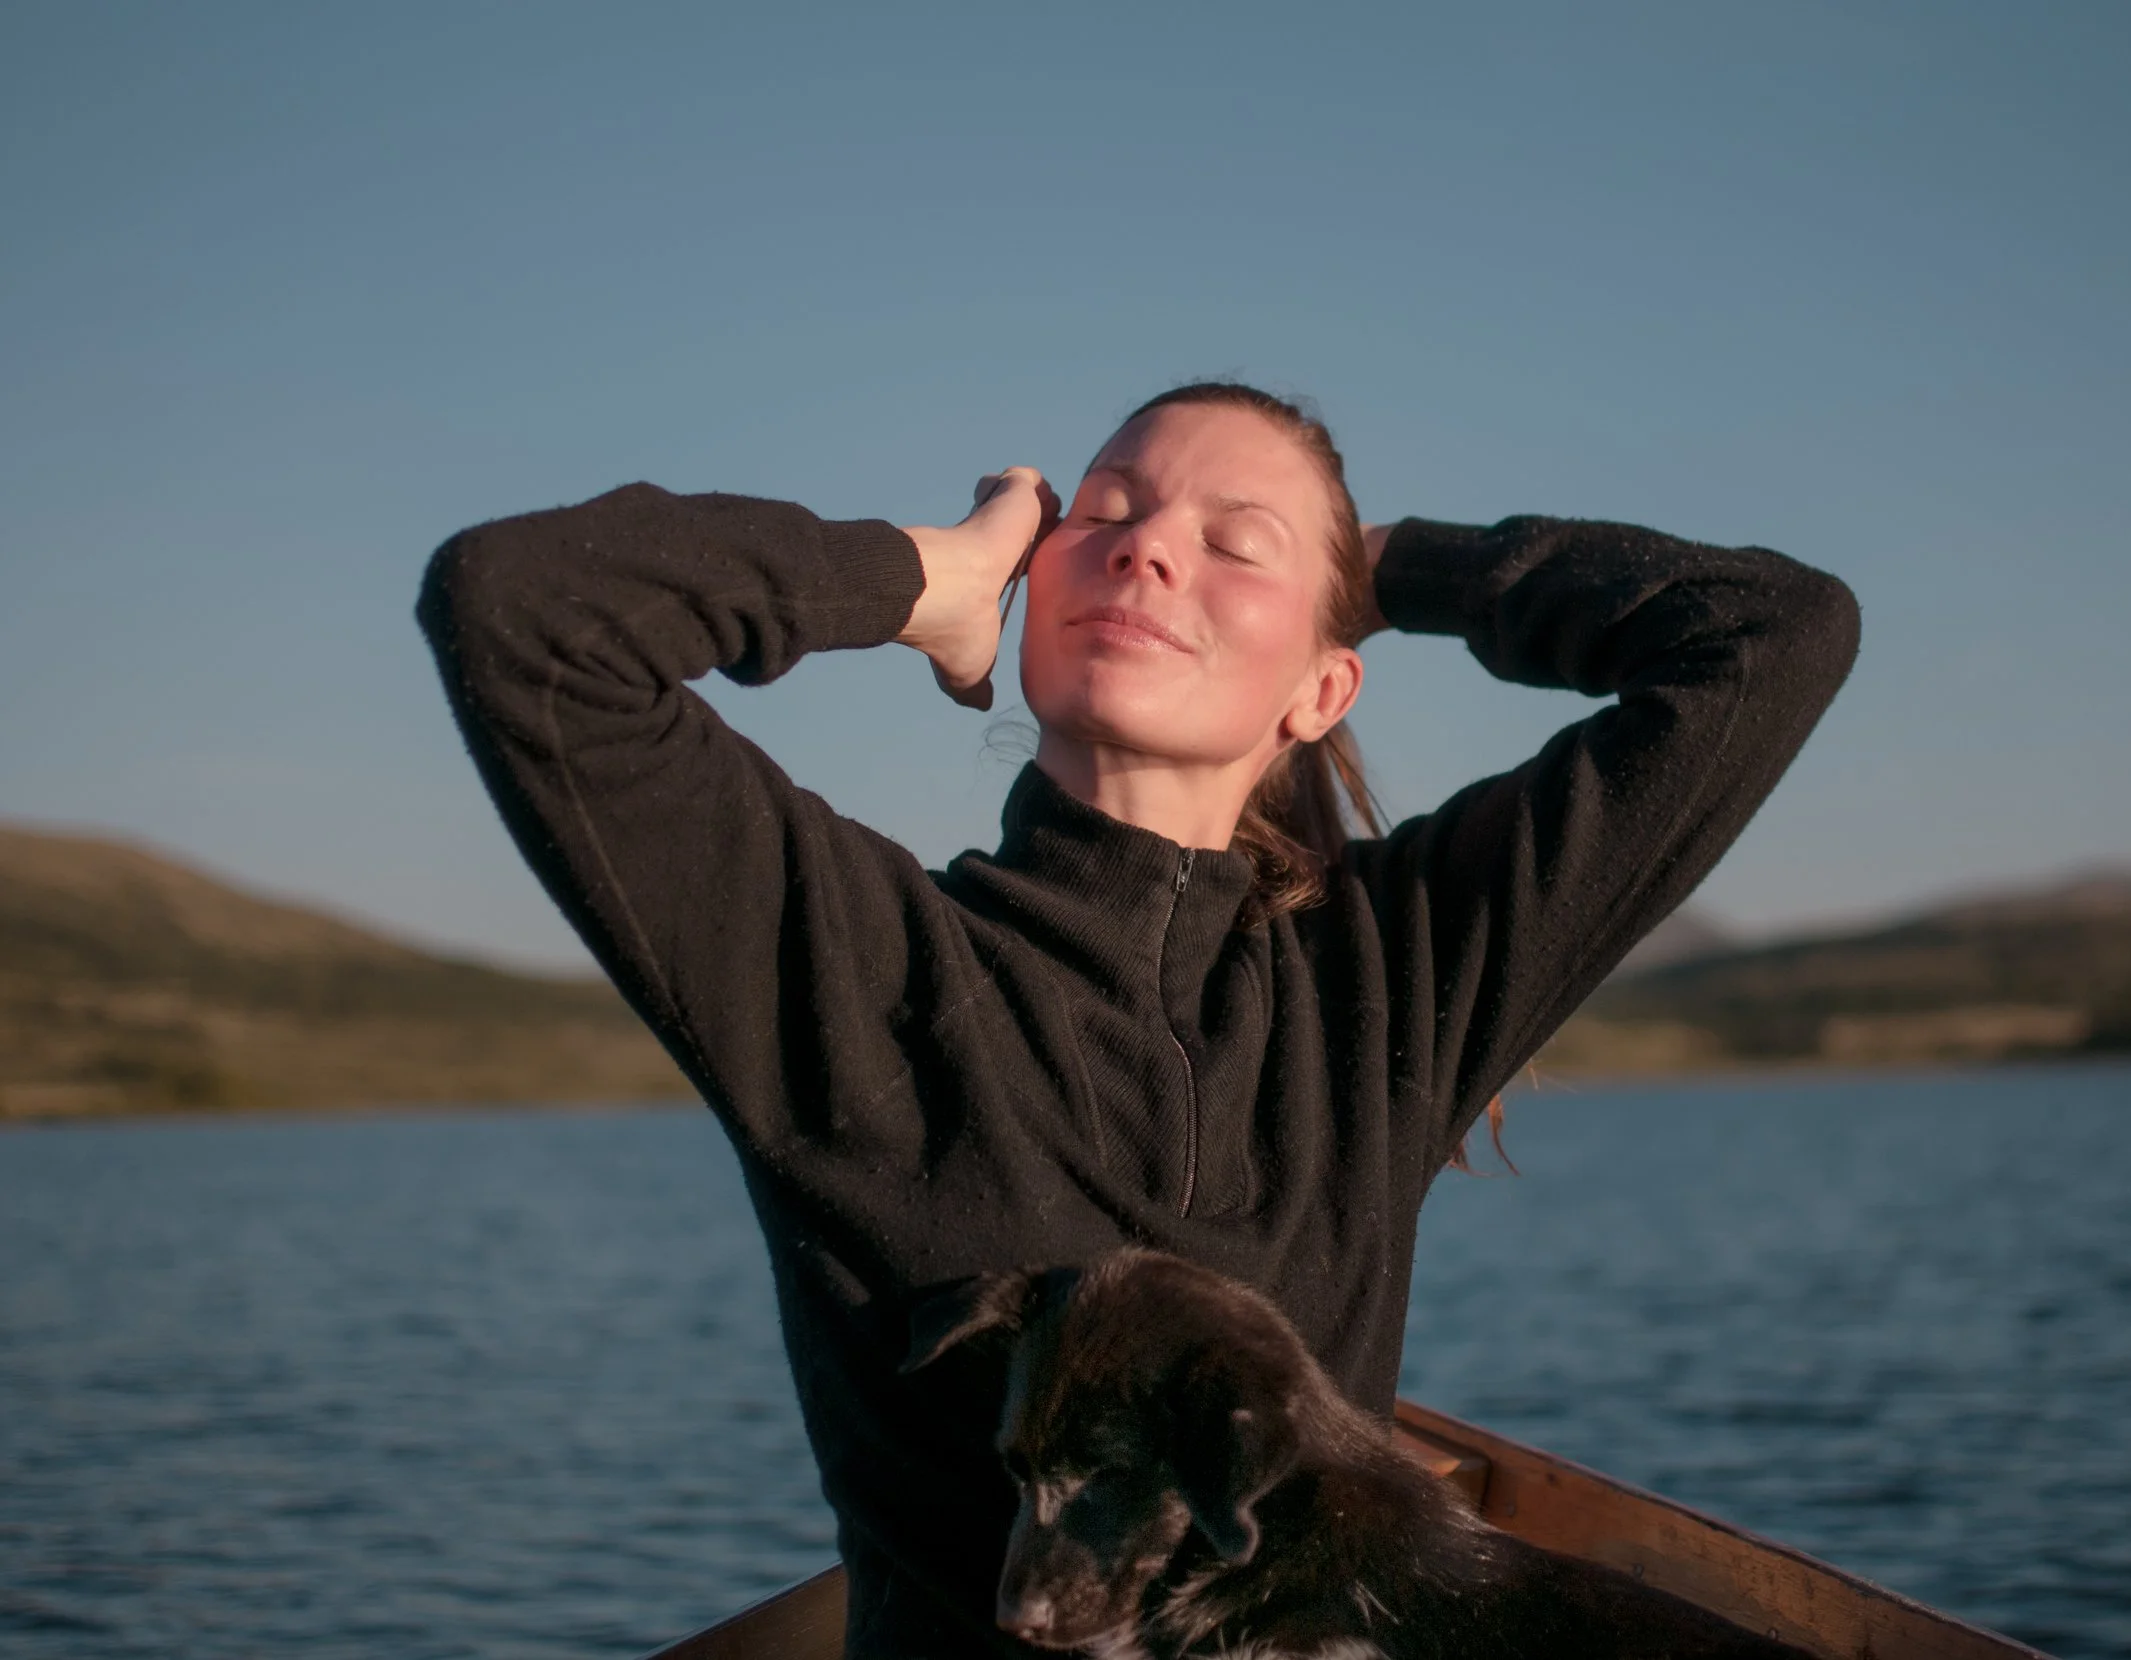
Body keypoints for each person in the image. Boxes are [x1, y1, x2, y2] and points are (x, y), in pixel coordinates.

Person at [414, 380, 1860, 1658]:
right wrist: (921, 576)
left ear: (1322, 690)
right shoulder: (859, 964)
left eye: (1233, 543)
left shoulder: (1393, 968)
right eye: (1102, 514)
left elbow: (1771, 637)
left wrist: (1387, 566)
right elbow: (522, 611)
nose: (1148, 545)